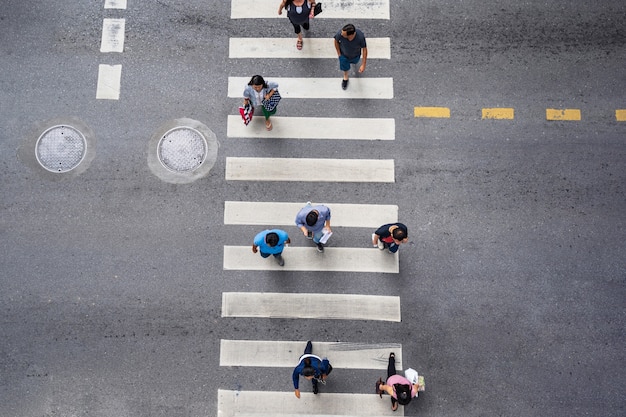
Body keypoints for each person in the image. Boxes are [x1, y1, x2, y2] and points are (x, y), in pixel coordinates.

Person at [333, 23, 367, 90]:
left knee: (355, 62)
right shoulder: (340, 34)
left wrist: (363, 65)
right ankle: (345, 77)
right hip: (344, 55)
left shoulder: (360, 37)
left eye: (344, 35)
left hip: (355, 55)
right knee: (345, 67)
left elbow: (364, 50)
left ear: (351, 35)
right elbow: (336, 41)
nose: (341, 34)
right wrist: (339, 54)